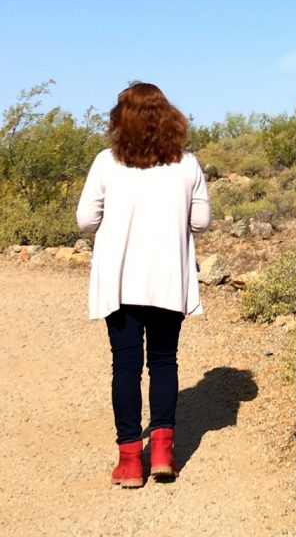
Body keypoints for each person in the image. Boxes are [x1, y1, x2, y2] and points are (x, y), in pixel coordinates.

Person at [77, 82, 211, 488]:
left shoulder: (106, 163)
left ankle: (131, 461)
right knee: (164, 363)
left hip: (121, 281)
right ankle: (164, 455)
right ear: (168, 117)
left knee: (126, 367)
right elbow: (201, 222)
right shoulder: (186, 164)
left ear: (122, 120)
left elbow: (85, 220)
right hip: (168, 278)